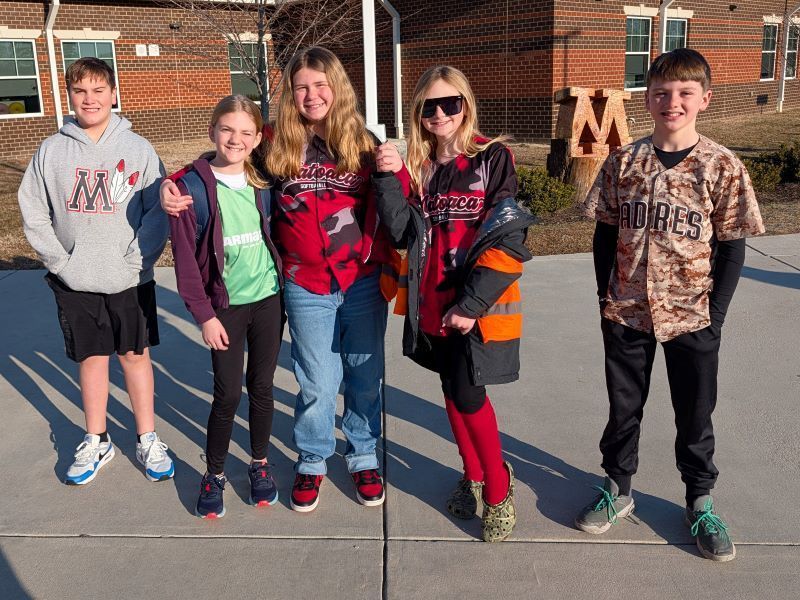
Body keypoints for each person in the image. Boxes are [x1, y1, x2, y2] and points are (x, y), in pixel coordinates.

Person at [161, 47, 400, 512]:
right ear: (291, 94)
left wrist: (399, 167)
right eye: (301, 87)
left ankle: (363, 454)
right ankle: (312, 458)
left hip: (362, 281)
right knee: (316, 379)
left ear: (337, 87)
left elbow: (393, 196)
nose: (311, 95)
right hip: (304, 284)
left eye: (320, 84)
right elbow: (224, 159)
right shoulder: (275, 142)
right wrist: (171, 183)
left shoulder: (363, 143)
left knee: (364, 376)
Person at [575, 48, 764, 562]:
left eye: (684, 92)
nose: (671, 101)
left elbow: (732, 245)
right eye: (661, 92)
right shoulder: (624, 162)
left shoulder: (721, 166)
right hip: (627, 310)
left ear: (704, 98)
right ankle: (617, 487)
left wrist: (716, 315)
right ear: (648, 99)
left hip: (692, 316)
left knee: (696, 412)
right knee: (623, 408)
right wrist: (603, 295)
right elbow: (605, 234)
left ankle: (700, 500)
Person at [372, 65, 536, 542]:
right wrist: (388, 178)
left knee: (469, 393)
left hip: (475, 305)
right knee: (449, 389)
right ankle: (473, 473)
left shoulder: (492, 158)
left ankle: (499, 488)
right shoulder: (422, 169)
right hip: (431, 300)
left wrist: (472, 303)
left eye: (451, 103)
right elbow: (402, 231)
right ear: (418, 113)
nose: (441, 113)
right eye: (430, 106)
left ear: (466, 104)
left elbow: (509, 236)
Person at [18, 57, 173, 485]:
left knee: (136, 357)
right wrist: (60, 261)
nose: (90, 99)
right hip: (75, 279)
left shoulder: (138, 148)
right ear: (69, 96)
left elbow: (156, 212)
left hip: (129, 277)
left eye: (98, 90)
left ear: (113, 94)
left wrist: (136, 260)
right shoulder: (52, 150)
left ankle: (146, 436)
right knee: (91, 358)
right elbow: (33, 209)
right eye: (80, 91)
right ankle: (97, 437)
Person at [168, 95, 284, 519]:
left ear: (257, 138)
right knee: (227, 394)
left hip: (269, 302)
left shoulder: (264, 180)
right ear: (212, 130)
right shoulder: (189, 190)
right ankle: (214, 473)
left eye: (246, 132)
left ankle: (259, 463)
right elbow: (184, 262)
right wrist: (205, 315)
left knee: (263, 387)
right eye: (227, 129)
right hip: (226, 310)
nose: (235, 139)